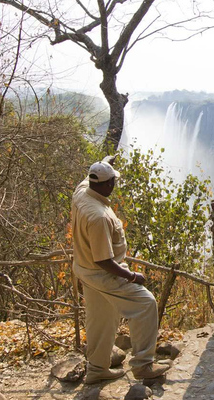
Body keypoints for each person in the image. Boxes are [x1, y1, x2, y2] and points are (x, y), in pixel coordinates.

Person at [71, 156, 170, 384]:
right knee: (146, 305)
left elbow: (89, 177)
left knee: (101, 319)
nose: (114, 185)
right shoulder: (99, 217)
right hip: (103, 275)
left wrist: (106, 162)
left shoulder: (82, 191)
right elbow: (104, 260)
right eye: (113, 181)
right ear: (107, 185)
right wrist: (132, 276)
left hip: (83, 269)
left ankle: (97, 369)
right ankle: (143, 365)